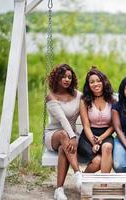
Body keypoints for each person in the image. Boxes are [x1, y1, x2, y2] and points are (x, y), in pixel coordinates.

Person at [43, 64, 83, 200]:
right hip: (53, 135)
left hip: (70, 138)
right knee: (63, 135)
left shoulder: (78, 95)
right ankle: (78, 173)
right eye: (63, 77)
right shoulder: (51, 97)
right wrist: (72, 136)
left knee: (62, 149)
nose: (67, 79)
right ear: (57, 78)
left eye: (69, 77)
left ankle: (59, 190)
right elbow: (62, 119)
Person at [78, 66, 114, 174]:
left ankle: (105, 186)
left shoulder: (112, 100)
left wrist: (102, 138)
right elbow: (86, 125)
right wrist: (94, 143)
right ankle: (83, 180)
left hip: (106, 134)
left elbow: (113, 126)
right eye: (92, 82)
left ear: (103, 82)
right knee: (97, 161)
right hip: (88, 136)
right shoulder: (84, 101)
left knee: (107, 147)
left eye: (98, 81)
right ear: (88, 85)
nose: (96, 84)